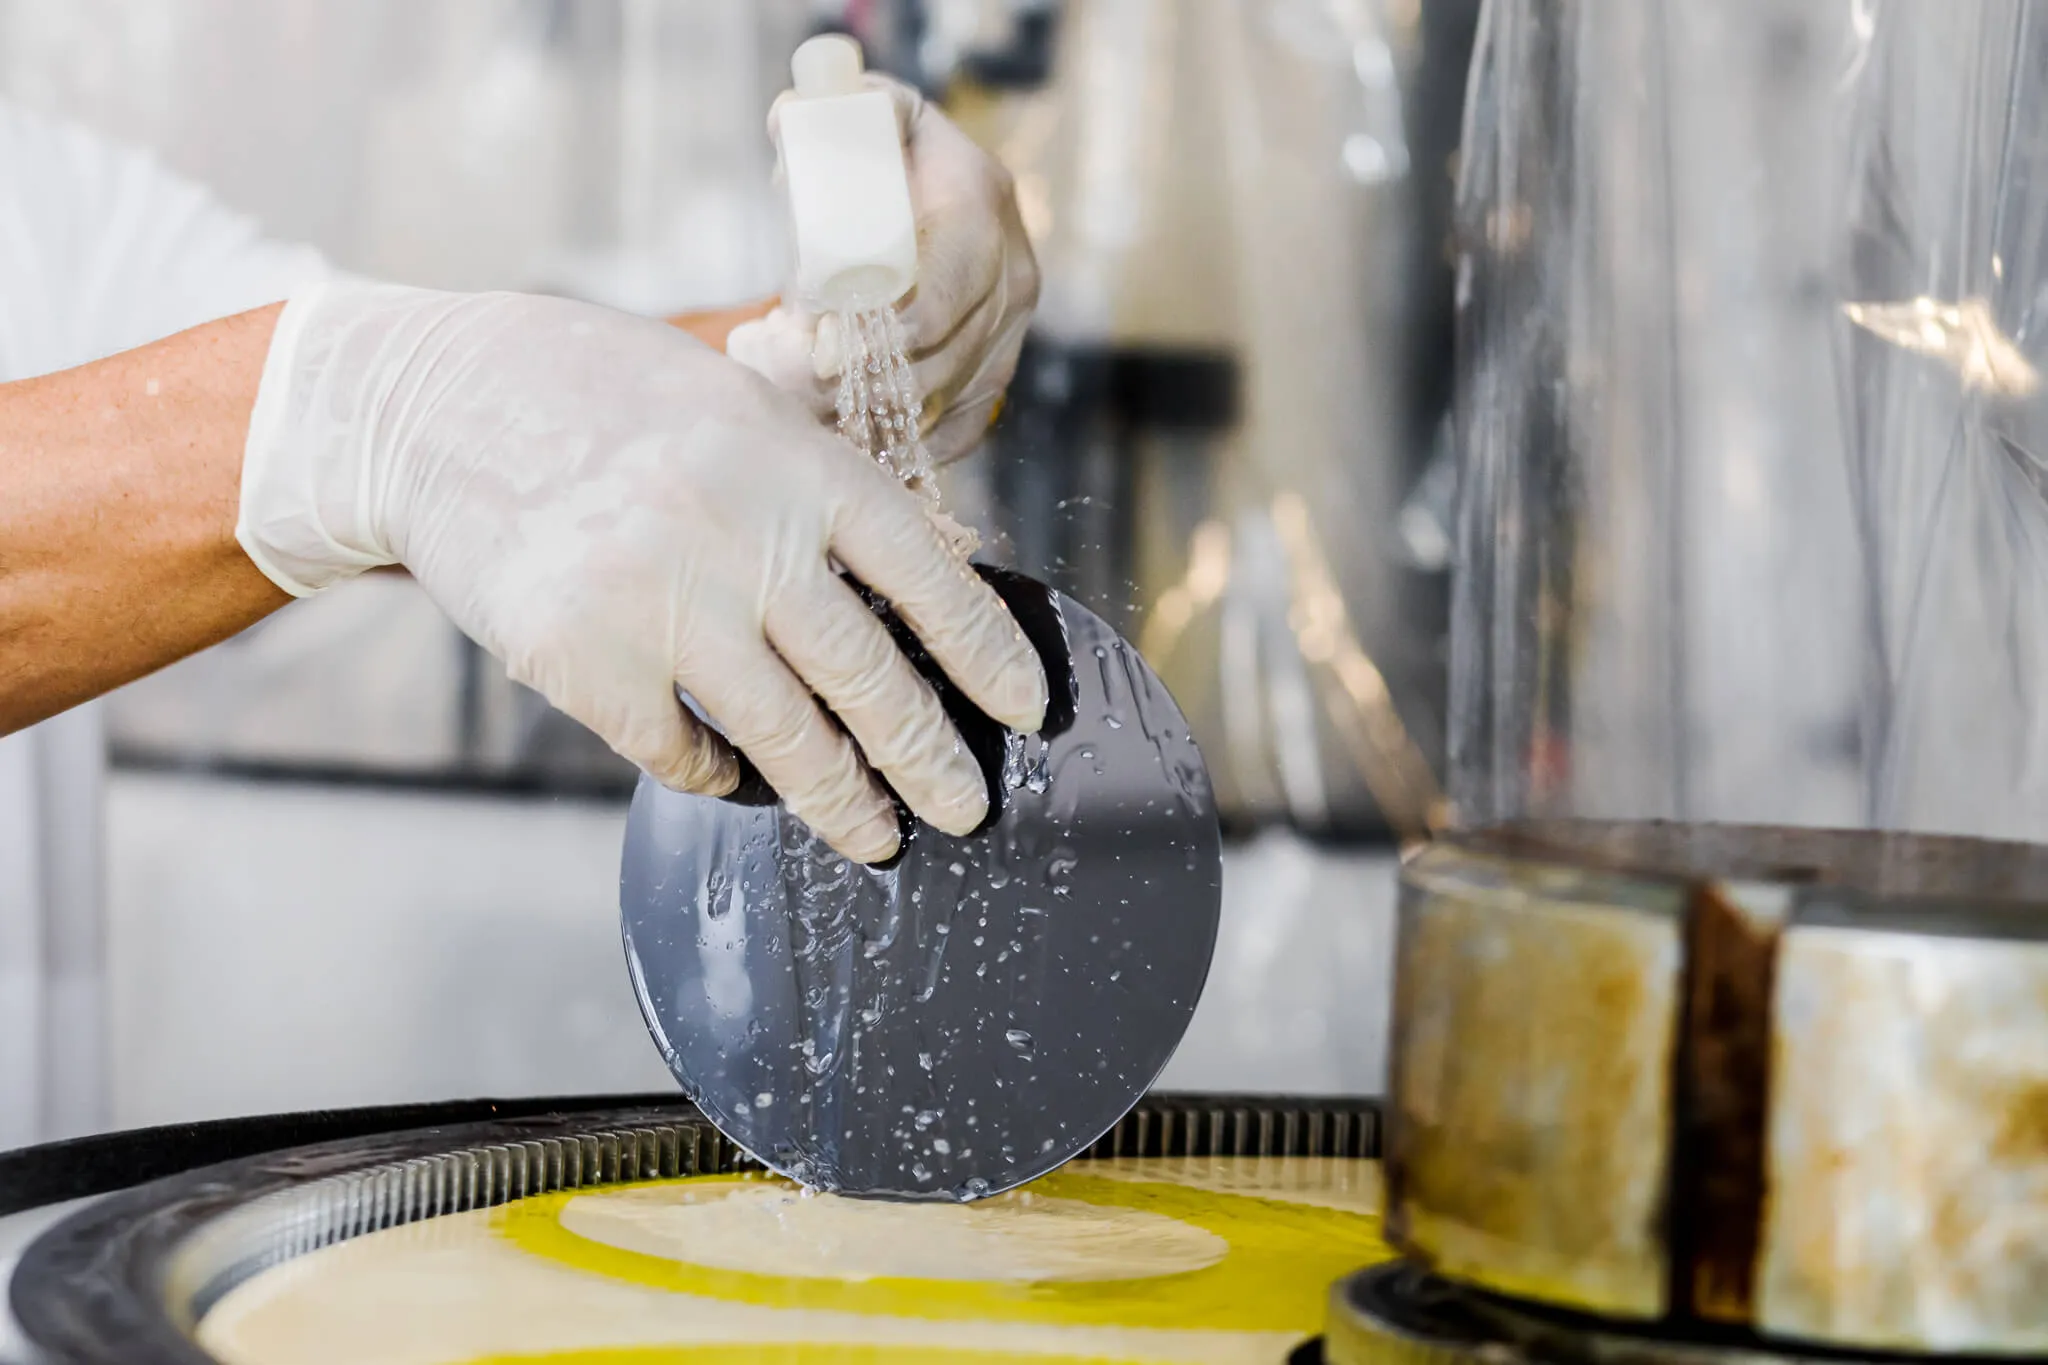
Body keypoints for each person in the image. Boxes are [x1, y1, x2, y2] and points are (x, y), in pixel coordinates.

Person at [0, 75, 1044, 868]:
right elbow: (352, 407)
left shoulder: (40, 190)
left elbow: (442, 379)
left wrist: (837, 341)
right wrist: (377, 419)